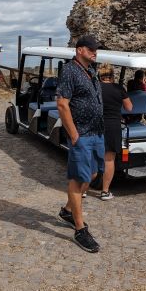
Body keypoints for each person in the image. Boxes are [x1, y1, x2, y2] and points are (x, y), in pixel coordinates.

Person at [56, 34, 104, 254]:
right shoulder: (70, 70)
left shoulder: (91, 70)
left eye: (96, 49)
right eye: (92, 49)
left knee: (93, 174)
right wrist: (73, 134)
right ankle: (79, 229)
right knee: (78, 180)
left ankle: (67, 210)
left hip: (96, 133)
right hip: (82, 135)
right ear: (80, 50)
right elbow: (62, 104)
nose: (95, 52)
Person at [98, 63, 132, 201]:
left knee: (92, 156)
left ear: (100, 76)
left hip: (96, 124)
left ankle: (83, 190)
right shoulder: (119, 88)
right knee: (109, 159)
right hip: (113, 125)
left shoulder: (95, 87)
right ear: (112, 76)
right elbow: (129, 107)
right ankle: (105, 192)